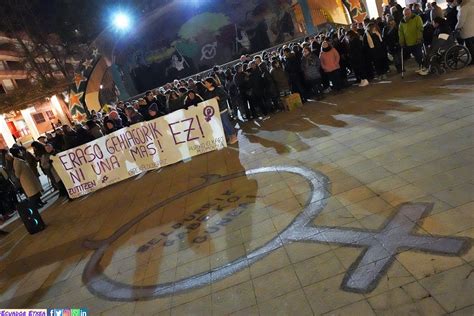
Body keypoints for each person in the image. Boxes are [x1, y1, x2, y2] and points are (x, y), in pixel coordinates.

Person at [203, 77, 238, 145]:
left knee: (226, 122)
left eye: (206, 83)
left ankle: (233, 135)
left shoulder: (218, 89)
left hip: (222, 108)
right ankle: (230, 136)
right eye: (205, 83)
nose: (205, 84)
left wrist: (219, 98)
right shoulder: (206, 92)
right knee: (222, 124)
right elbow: (206, 101)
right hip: (215, 110)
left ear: (211, 83)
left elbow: (226, 96)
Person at [399, 8, 424, 72]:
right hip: (408, 43)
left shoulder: (417, 18)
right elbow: (400, 32)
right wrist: (401, 41)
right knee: (415, 56)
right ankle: (421, 65)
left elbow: (420, 28)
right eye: (405, 14)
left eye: (408, 14)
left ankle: (422, 66)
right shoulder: (402, 22)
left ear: (411, 13)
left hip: (417, 41)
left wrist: (419, 37)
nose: (406, 15)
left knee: (419, 55)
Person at [456, 0, 474, 64]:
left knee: (470, 47)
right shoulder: (472, 5)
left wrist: (456, 28)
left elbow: (461, 21)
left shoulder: (464, 8)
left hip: (467, 31)